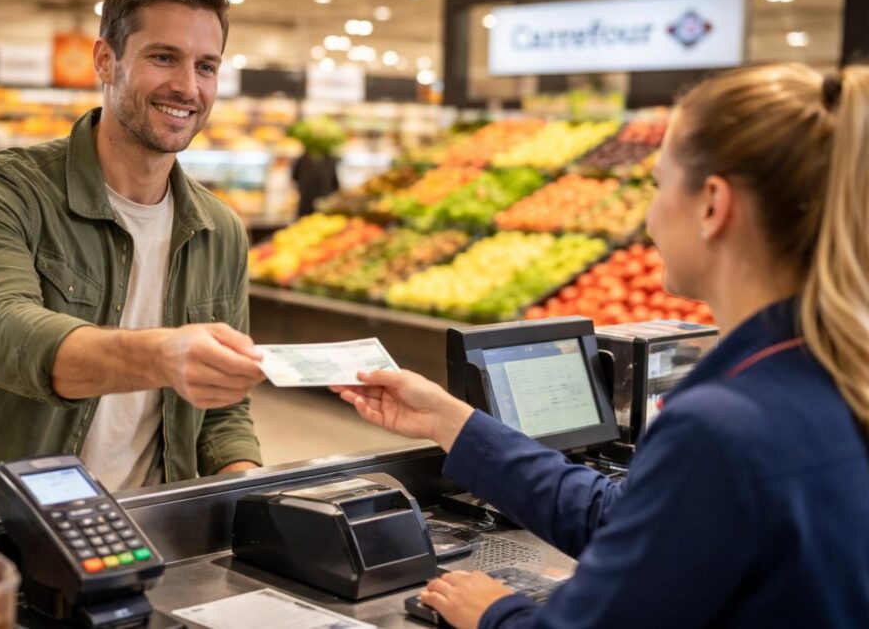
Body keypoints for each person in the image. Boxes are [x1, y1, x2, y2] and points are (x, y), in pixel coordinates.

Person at [333, 63, 869, 628]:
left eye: (659, 185)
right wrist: (453, 422)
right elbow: (628, 520)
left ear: (713, 205)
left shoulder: (722, 427)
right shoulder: (831, 371)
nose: (650, 216)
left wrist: (496, 614)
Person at [0, 0, 267, 515]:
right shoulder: (2, 190)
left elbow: (223, 413)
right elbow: (2, 333)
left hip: (147, 529)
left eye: (206, 66)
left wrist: (249, 488)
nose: (187, 86)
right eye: (163, 57)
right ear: (106, 60)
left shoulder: (218, 230)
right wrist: (165, 355)